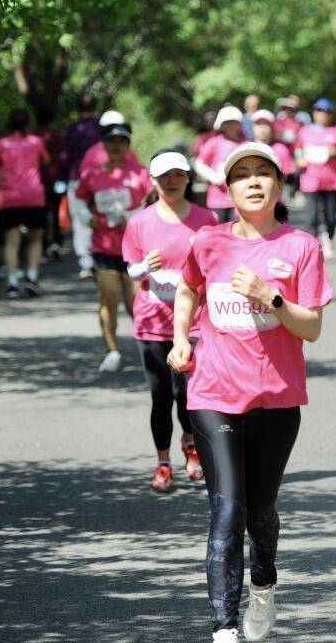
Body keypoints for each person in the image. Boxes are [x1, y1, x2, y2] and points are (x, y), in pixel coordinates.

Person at [168, 142, 332, 642]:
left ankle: (263, 585)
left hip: (277, 400)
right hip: (213, 393)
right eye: (243, 175)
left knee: (260, 513)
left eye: (264, 173)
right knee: (227, 509)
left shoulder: (301, 247)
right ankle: (223, 630)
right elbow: (189, 287)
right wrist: (179, 338)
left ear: (279, 186)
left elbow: (311, 329)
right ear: (228, 189)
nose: (254, 181)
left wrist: (271, 297)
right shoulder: (208, 242)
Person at [122, 151, 218, 491]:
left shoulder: (207, 218)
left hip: (193, 320)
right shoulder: (139, 222)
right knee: (161, 395)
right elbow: (131, 269)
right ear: (153, 181)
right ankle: (163, 463)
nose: (172, 181)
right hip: (152, 321)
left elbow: (217, 264)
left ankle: (191, 447)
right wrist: (146, 266)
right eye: (165, 176)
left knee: (188, 393)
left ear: (188, 178)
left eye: (178, 175)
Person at [76, 122, 152, 373]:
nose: (117, 146)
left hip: (135, 249)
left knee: (135, 303)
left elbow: (153, 204)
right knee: (108, 298)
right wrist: (89, 219)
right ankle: (112, 351)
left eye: (122, 142)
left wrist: (131, 216)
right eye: (112, 142)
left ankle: (149, 349)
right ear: (104, 145)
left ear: (128, 146)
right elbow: (78, 200)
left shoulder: (140, 172)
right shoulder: (93, 174)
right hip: (104, 248)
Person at [0, 108, 50, 299]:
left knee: (12, 241)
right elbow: (47, 160)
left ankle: (12, 284)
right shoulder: (36, 142)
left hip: (9, 198)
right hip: (33, 195)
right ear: (27, 124)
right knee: (35, 237)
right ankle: (32, 278)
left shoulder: (1, 144)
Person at [295, 98, 336, 258]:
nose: (322, 114)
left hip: (332, 181)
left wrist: (335, 154)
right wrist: (299, 159)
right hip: (310, 181)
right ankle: (313, 248)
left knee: (331, 217)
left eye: (326, 111)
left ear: (330, 115)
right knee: (312, 216)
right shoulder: (304, 132)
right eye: (319, 110)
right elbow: (298, 149)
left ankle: (329, 239)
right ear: (314, 112)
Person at [57, 95, 101, 277]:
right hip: (100, 180)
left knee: (80, 220)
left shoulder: (72, 130)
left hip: (76, 179)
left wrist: (62, 178)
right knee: (101, 216)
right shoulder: (102, 129)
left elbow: (64, 158)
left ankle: (86, 261)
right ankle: (101, 256)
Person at [193, 105, 244, 223]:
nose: (231, 125)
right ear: (221, 125)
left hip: (239, 199)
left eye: (234, 122)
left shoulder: (245, 144)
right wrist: (213, 176)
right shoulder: (214, 143)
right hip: (217, 199)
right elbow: (199, 163)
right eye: (227, 122)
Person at [33, 106, 63, 259]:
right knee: (56, 213)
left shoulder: (33, 137)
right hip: (56, 179)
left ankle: (43, 248)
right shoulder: (57, 136)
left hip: (38, 182)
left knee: (42, 215)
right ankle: (56, 243)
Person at [250, 109, 295, 184]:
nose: (262, 128)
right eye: (259, 124)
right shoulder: (245, 148)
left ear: (272, 127)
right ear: (253, 127)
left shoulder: (281, 149)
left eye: (266, 124)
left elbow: (286, 175)